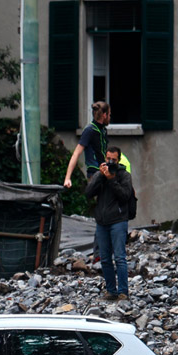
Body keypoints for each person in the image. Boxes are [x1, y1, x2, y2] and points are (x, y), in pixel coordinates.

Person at [85, 146, 133, 300]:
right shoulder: (101, 174)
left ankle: (123, 291)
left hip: (118, 221)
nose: (110, 162)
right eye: (108, 159)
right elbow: (88, 192)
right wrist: (100, 175)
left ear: (118, 160)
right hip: (102, 222)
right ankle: (111, 290)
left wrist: (112, 180)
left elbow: (125, 196)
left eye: (113, 160)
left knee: (120, 257)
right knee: (104, 258)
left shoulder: (124, 175)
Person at [64, 101, 111, 187]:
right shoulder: (89, 130)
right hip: (94, 174)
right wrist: (67, 178)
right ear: (104, 115)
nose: (110, 117)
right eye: (109, 115)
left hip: (104, 172)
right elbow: (76, 153)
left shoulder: (103, 130)